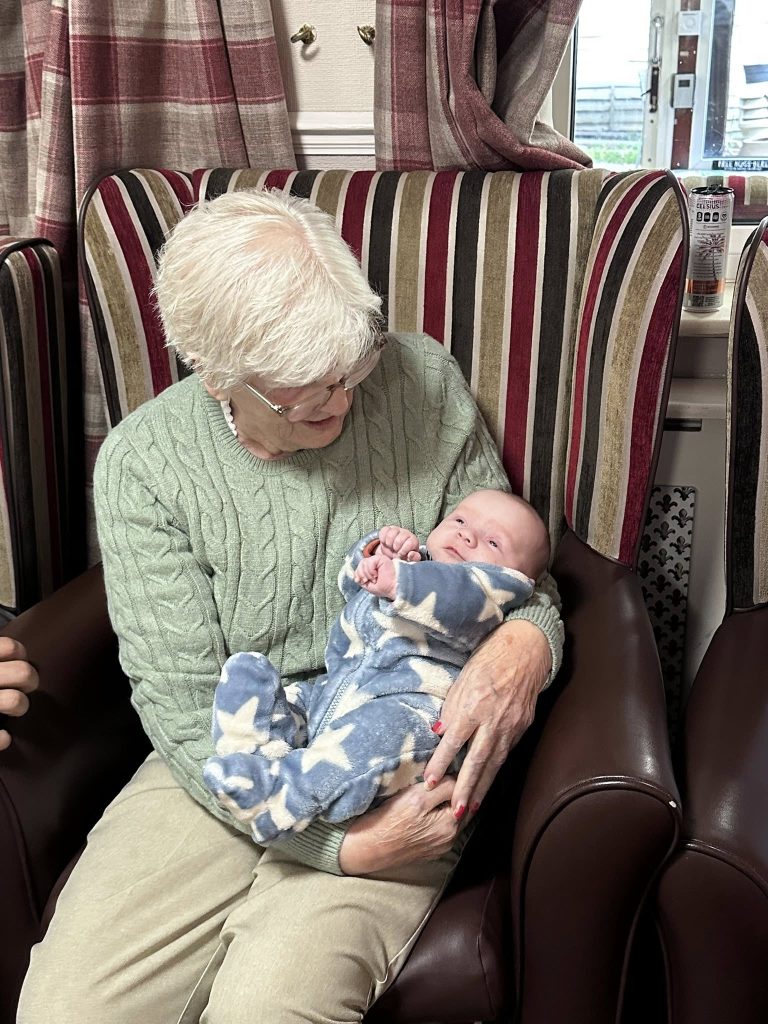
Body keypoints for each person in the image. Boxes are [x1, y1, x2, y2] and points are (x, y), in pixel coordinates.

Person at [17, 188, 562, 1024]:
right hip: (229, 749)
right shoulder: (143, 468)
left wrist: (527, 643)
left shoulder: (419, 379)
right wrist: (339, 848)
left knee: (269, 1008)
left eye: (354, 370)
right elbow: (190, 716)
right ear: (217, 377)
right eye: (310, 398)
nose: (344, 404)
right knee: (67, 1012)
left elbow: (511, 565)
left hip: (394, 740)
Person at [204, 489, 550, 844]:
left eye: (492, 542)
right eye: (460, 520)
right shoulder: (416, 562)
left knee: (371, 738)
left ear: (520, 578)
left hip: (407, 714)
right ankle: (255, 756)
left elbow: (455, 599)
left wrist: (401, 580)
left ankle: (284, 796)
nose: (467, 535)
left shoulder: (490, 594)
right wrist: (375, 556)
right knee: (247, 671)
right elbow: (350, 586)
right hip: (330, 691)